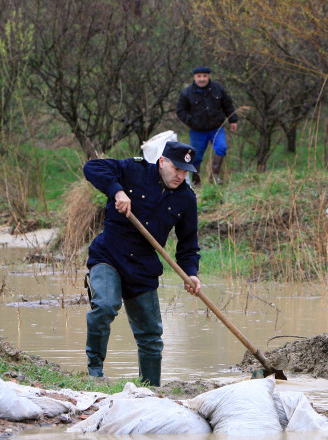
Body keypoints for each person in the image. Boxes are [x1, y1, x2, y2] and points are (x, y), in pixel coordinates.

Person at [83, 141, 202, 386]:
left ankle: (151, 388)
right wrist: (117, 191)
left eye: (185, 172)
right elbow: (91, 168)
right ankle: (95, 374)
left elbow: (188, 244)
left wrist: (191, 273)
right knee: (105, 306)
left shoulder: (186, 199)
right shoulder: (133, 170)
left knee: (151, 336)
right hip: (109, 255)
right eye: (176, 169)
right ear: (162, 161)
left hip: (143, 266)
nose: (180, 176)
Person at [176, 66, 238, 185]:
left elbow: (227, 105)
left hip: (216, 128)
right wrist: (191, 121)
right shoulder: (187, 93)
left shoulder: (218, 89)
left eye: (204, 76)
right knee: (196, 156)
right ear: (194, 77)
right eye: (199, 76)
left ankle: (214, 177)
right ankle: (196, 181)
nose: (202, 79)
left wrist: (233, 120)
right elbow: (180, 110)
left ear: (208, 76)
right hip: (197, 131)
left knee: (222, 147)